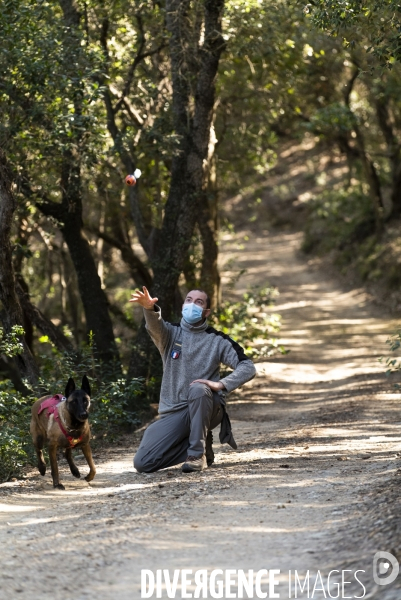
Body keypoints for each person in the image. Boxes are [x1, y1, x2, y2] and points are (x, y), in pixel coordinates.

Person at [130, 286, 256, 473]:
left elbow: (248, 367)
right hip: (174, 413)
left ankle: (197, 455)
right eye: (189, 300)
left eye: (199, 302)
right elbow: (155, 326)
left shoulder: (217, 340)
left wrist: (221, 384)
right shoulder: (170, 334)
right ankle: (203, 445)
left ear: (206, 312)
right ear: (182, 306)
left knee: (198, 388)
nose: (192, 304)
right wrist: (149, 309)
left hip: (207, 406)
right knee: (143, 463)